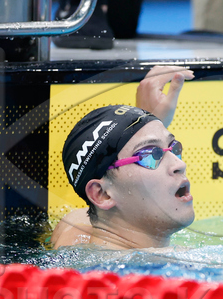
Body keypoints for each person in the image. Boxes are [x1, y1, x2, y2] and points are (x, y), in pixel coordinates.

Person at [52, 66, 195, 249]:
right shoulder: (143, 265)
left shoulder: (74, 230)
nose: (180, 164)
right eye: (150, 155)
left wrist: (147, 124)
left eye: (173, 147)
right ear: (102, 194)